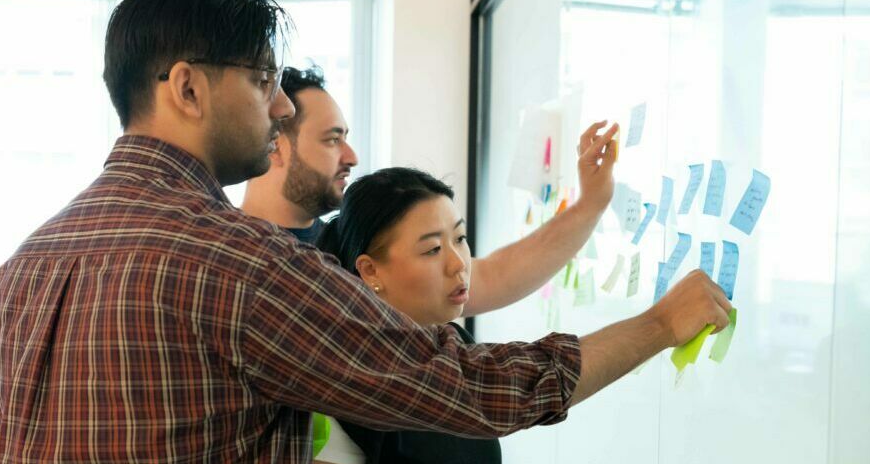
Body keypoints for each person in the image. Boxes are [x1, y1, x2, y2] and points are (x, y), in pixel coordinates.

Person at [0, 0, 731, 464]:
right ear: (187, 88)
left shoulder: (19, 271)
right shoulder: (242, 266)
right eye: (263, 80)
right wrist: (659, 325)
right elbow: (467, 387)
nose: (280, 107)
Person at [304, 167, 571, 464]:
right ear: (370, 271)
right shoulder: (349, 390)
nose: (458, 263)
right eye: (432, 249)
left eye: (460, 238)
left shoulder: (458, 348)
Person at [242, 66, 617, 316]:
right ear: (275, 143)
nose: (352, 157)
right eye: (332, 139)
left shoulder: (344, 246)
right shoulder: (240, 264)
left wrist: (591, 204)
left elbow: (495, 276)